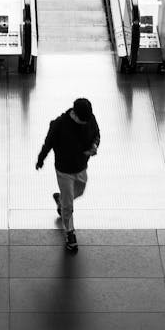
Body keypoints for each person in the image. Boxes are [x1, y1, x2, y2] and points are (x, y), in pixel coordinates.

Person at [35, 97, 100, 255]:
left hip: (81, 166)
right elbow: (48, 143)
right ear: (75, 114)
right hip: (64, 170)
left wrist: (94, 146)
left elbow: (96, 134)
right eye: (82, 121)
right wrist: (41, 159)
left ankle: (61, 201)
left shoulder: (89, 118)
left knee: (79, 192)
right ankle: (70, 234)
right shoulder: (59, 125)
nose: (85, 123)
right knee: (69, 204)